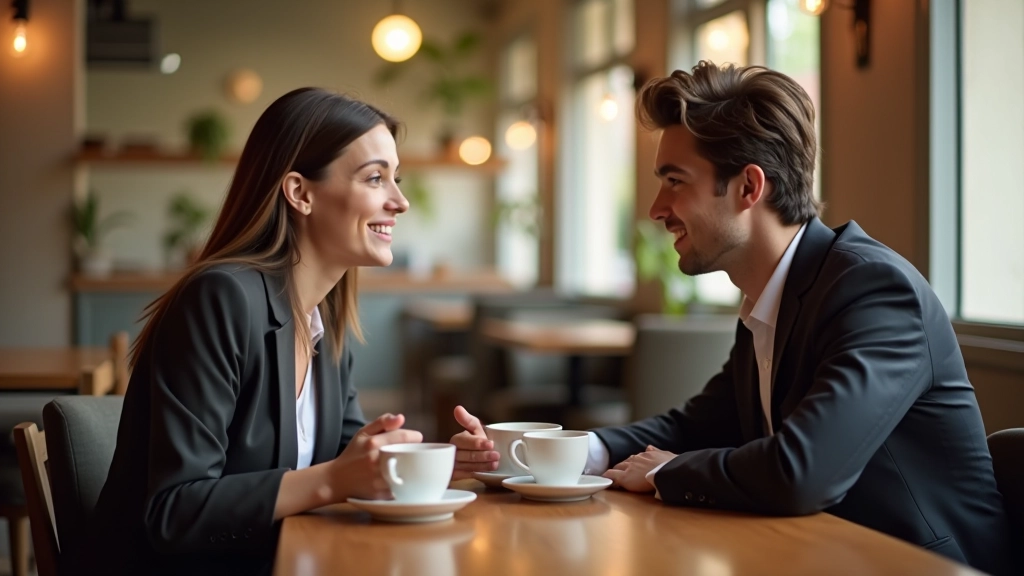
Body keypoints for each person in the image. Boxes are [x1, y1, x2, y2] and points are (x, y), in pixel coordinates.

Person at [450, 62, 1015, 575]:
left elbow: (803, 472)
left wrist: (667, 472)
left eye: (675, 181)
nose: (656, 209)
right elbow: (694, 426)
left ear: (749, 186)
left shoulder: (872, 289)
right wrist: (565, 454)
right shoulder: (772, 296)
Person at [88, 88, 419, 576]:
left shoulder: (323, 317)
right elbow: (174, 512)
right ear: (300, 193)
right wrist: (333, 480)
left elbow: (348, 458)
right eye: (375, 178)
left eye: (396, 178)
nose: (400, 202)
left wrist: (438, 463)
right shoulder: (221, 298)